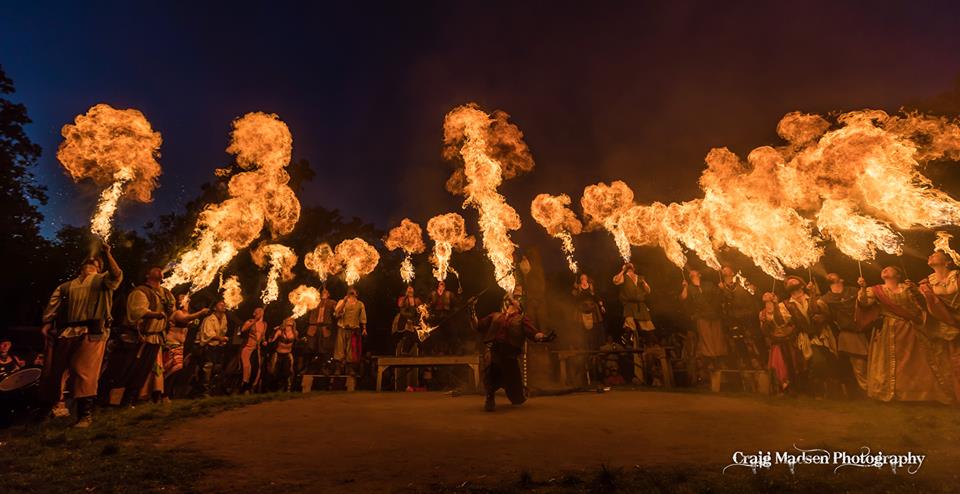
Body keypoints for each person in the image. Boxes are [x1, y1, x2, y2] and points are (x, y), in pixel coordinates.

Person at [39, 242, 123, 427]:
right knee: (58, 371)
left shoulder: (103, 280)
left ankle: (85, 415)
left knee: (83, 371)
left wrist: (108, 253)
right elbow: (52, 306)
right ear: (81, 266)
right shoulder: (66, 286)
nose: (91, 263)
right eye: (88, 262)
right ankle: (56, 407)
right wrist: (46, 322)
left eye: (95, 263)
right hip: (67, 331)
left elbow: (117, 274)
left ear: (99, 268)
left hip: (92, 332)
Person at [858, 266, 954, 403]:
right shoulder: (876, 290)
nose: (885, 270)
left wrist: (916, 291)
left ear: (898, 275)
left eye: (890, 269)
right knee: (891, 361)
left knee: (913, 360)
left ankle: (916, 394)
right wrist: (862, 287)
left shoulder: (907, 288)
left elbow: (921, 306)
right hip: (889, 330)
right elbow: (864, 303)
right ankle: (893, 394)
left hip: (910, 329)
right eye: (884, 269)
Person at [472, 296, 547, 411]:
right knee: (491, 371)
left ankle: (516, 390)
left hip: (510, 354)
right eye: (511, 302)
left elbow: (533, 333)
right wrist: (471, 310)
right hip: (494, 350)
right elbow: (477, 326)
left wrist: (542, 337)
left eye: (515, 302)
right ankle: (490, 397)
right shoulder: (496, 316)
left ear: (519, 308)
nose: (512, 302)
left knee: (517, 398)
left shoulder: (521, 319)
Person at [123, 266, 176, 405]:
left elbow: (173, 315)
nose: (160, 270)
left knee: (144, 370)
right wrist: (156, 314)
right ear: (147, 275)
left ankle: (133, 399)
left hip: (156, 338)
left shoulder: (167, 293)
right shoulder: (140, 291)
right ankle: (123, 400)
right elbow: (137, 312)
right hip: (140, 338)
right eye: (154, 269)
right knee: (132, 368)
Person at [779, 276, 838, 398]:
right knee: (811, 363)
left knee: (823, 361)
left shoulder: (815, 299)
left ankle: (825, 391)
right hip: (802, 338)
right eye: (788, 281)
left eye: (794, 280)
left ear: (802, 285)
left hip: (821, 335)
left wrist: (823, 317)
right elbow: (784, 322)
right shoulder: (784, 305)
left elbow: (827, 314)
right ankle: (817, 391)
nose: (790, 280)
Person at [918, 251, 960, 400]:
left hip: (957, 321)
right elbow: (929, 307)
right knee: (949, 361)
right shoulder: (928, 283)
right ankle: (953, 396)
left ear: (947, 262)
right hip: (944, 325)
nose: (930, 256)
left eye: (935, 255)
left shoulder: (956, 277)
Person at [820, 273, 868, 396]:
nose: (830, 275)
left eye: (833, 274)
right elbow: (823, 314)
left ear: (841, 279)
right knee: (854, 363)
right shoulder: (825, 299)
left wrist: (863, 287)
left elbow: (864, 303)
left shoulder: (852, 290)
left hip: (863, 329)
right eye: (828, 275)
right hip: (845, 333)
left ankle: (869, 389)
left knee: (864, 362)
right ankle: (862, 391)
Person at [680, 269, 727, 385]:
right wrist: (685, 287)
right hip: (701, 316)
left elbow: (719, 295)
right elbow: (683, 298)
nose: (692, 274)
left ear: (699, 274)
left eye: (694, 272)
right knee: (706, 339)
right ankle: (711, 361)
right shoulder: (689, 288)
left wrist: (721, 288)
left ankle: (718, 361)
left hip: (715, 315)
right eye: (690, 273)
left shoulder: (709, 284)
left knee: (717, 339)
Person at [163, 294, 208, 400]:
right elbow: (186, 319)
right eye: (180, 299)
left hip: (180, 346)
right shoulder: (178, 313)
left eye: (184, 299)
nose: (182, 301)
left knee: (175, 371)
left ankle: (167, 395)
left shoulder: (188, 313)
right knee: (170, 371)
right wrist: (200, 313)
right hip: (171, 344)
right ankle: (163, 395)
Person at [719, 266, 763, 369]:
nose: (724, 270)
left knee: (757, 339)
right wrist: (722, 290)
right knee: (739, 343)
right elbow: (724, 302)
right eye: (723, 269)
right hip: (735, 319)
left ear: (732, 271)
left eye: (727, 268)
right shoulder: (722, 286)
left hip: (749, 315)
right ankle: (747, 364)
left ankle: (763, 361)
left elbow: (756, 294)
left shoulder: (742, 281)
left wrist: (753, 289)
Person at [195, 300, 230, 396]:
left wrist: (222, 340)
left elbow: (223, 331)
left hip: (217, 347)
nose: (223, 306)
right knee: (207, 367)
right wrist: (221, 338)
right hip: (207, 346)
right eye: (221, 304)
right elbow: (209, 334)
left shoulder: (224, 318)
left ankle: (213, 390)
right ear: (215, 308)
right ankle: (203, 391)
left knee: (217, 368)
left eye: (224, 305)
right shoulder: (209, 319)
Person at [392, 285, 422, 389]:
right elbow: (401, 309)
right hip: (404, 320)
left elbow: (419, 310)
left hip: (414, 321)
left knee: (415, 337)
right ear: (406, 291)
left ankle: (407, 350)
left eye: (411, 289)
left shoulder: (417, 300)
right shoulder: (402, 299)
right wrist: (408, 318)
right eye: (408, 289)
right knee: (406, 334)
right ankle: (403, 350)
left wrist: (416, 319)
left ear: (413, 290)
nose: (410, 290)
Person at [303, 288, 337, 374]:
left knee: (324, 349)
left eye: (326, 292)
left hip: (324, 328)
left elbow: (337, 311)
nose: (324, 292)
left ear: (329, 294)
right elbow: (305, 307)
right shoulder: (314, 301)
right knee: (309, 348)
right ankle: (307, 368)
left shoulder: (332, 302)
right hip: (313, 327)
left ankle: (324, 368)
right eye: (322, 292)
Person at [334, 287, 367, 375]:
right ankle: (338, 369)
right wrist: (344, 302)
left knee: (351, 350)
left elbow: (363, 317)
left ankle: (350, 369)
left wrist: (364, 328)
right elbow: (336, 314)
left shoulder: (360, 304)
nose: (352, 293)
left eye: (353, 292)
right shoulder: (342, 301)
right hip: (342, 329)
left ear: (357, 294)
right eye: (350, 292)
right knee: (339, 349)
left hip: (353, 330)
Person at [238, 307, 268, 393]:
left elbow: (263, 336)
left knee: (258, 368)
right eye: (257, 311)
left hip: (256, 349)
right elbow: (242, 330)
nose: (259, 312)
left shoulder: (264, 324)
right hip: (246, 347)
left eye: (260, 311)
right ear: (254, 313)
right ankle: (244, 385)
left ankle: (252, 387)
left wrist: (264, 341)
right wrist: (255, 320)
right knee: (247, 367)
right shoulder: (250, 321)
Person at [572, 274, 605, 350]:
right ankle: (583, 345)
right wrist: (575, 289)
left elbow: (597, 296)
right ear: (580, 280)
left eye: (584, 278)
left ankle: (594, 346)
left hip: (592, 309)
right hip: (581, 309)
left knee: (594, 329)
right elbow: (575, 297)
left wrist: (601, 306)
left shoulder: (591, 286)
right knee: (582, 329)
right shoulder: (578, 287)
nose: (583, 280)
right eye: (582, 279)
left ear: (587, 279)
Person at [267, 318, 297, 391]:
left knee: (287, 372)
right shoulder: (280, 332)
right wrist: (274, 331)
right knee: (274, 373)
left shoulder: (295, 332)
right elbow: (271, 340)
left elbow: (296, 342)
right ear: (285, 323)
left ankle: (286, 389)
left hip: (287, 355)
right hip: (278, 355)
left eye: (291, 321)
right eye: (288, 321)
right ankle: (273, 389)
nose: (290, 322)